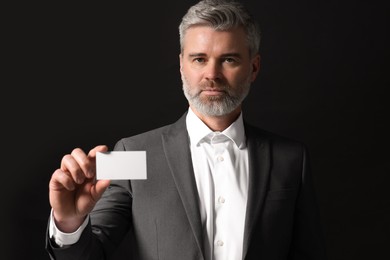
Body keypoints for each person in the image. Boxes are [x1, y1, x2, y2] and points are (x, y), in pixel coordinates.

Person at [46, 0, 327, 259]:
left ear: (254, 68)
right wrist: (69, 223)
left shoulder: (292, 159)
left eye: (229, 59)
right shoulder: (130, 154)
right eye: (199, 59)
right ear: (182, 65)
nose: (212, 74)